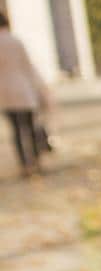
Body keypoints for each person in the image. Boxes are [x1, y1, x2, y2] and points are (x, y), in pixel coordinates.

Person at [0, 9, 53, 180]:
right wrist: (41, 88)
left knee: (16, 131)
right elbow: (28, 67)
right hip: (23, 91)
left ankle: (24, 165)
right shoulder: (16, 41)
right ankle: (36, 162)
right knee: (29, 127)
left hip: (5, 94)